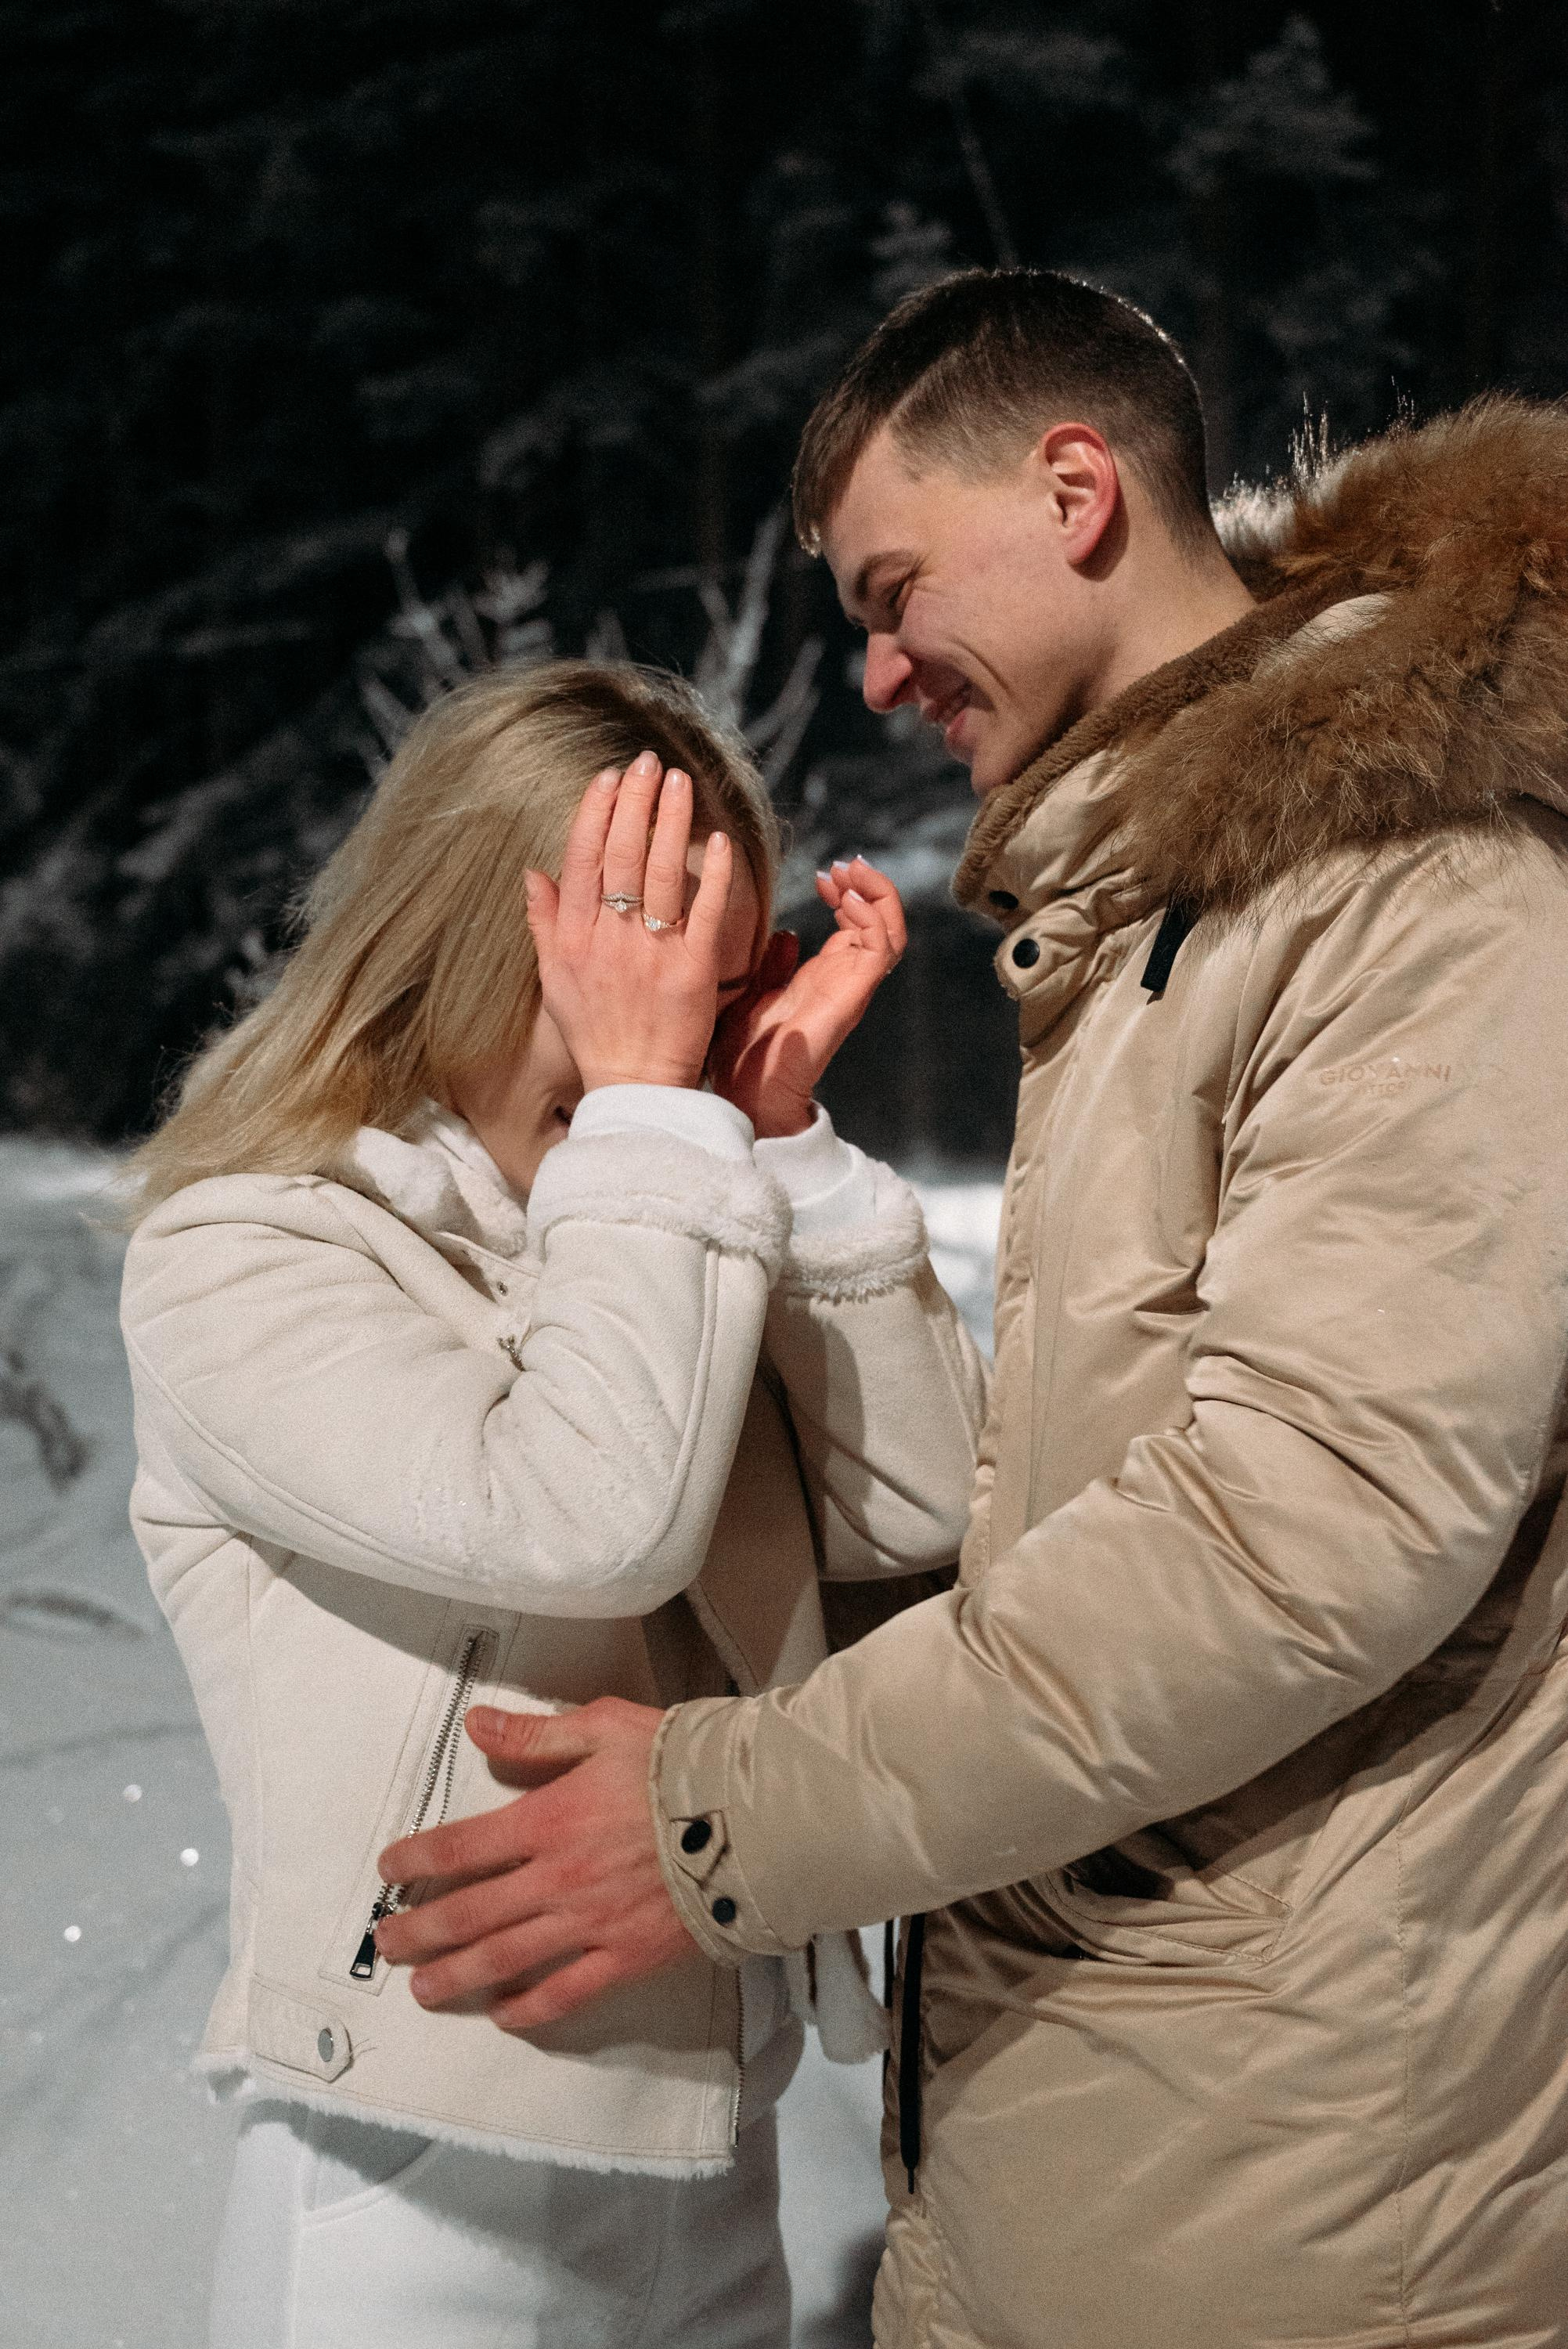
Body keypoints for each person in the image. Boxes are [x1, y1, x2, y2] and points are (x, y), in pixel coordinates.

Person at [375, 271, 1568, 2348]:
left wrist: (728, 1818)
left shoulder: (1413, 890)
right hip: (1156, 2123)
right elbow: (1061, 1497)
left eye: (889, 584)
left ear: (1078, 490)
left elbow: (1306, 1534)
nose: (869, 670)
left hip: (1299, 2188)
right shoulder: (1183, 907)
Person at [118, 658, 986, 2349]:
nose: (661, 1027)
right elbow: (583, 1516)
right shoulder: (246, 1251)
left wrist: (781, 1143)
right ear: (470, 936)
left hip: (714, 2159)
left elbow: (928, 1516)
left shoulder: (664, 1224)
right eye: (630, 969)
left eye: (711, 983)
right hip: (408, 2183)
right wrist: (664, 1128)